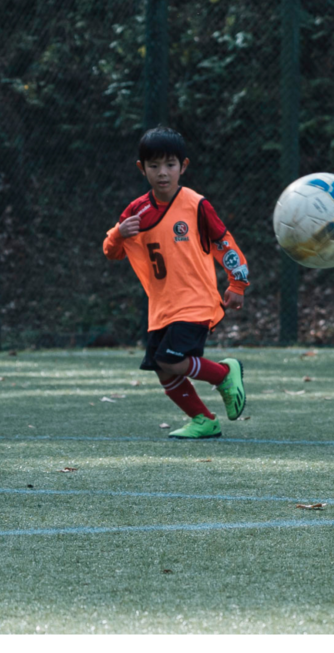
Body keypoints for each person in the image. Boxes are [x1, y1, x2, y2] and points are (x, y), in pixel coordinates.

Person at [103, 127, 250, 439]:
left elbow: (224, 243)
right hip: (162, 307)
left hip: (196, 301)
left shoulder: (196, 205)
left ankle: (224, 374)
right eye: (154, 165)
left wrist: (237, 283)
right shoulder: (136, 210)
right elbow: (111, 252)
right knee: (162, 369)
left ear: (183, 166)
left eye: (170, 165)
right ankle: (204, 421)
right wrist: (118, 233)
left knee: (171, 359)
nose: (162, 173)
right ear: (142, 168)